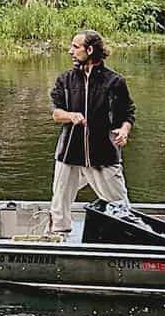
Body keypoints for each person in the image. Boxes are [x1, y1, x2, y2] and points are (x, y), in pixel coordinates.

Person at [48, 29, 136, 233]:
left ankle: (127, 236)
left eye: (75, 47)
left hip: (103, 153)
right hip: (69, 152)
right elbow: (56, 113)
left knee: (119, 204)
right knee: (59, 202)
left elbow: (127, 114)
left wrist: (124, 130)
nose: (70, 51)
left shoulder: (115, 82)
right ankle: (59, 237)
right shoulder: (65, 80)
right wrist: (71, 116)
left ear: (90, 49)